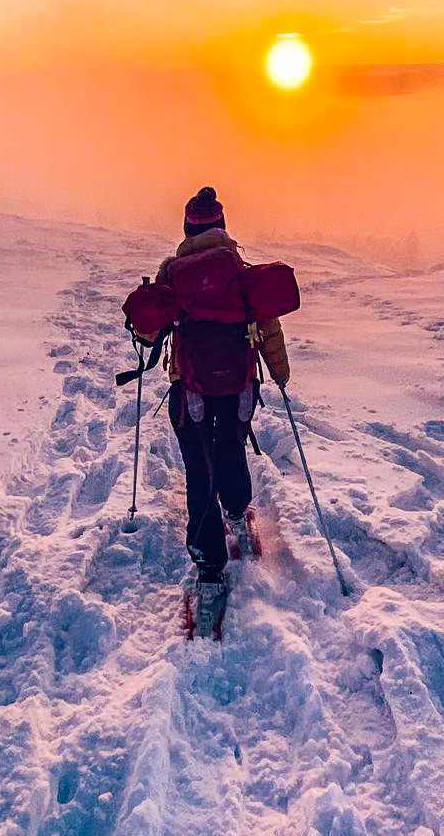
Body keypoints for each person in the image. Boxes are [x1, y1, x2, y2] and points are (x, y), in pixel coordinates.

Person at [154, 187, 290, 603]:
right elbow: (267, 325)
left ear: (187, 227)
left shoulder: (171, 273)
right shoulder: (239, 270)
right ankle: (235, 509)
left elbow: (148, 328)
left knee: (198, 468)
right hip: (238, 386)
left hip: (189, 390)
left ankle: (208, 562)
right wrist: (280, 373)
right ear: (221, 226)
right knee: (230, 449)